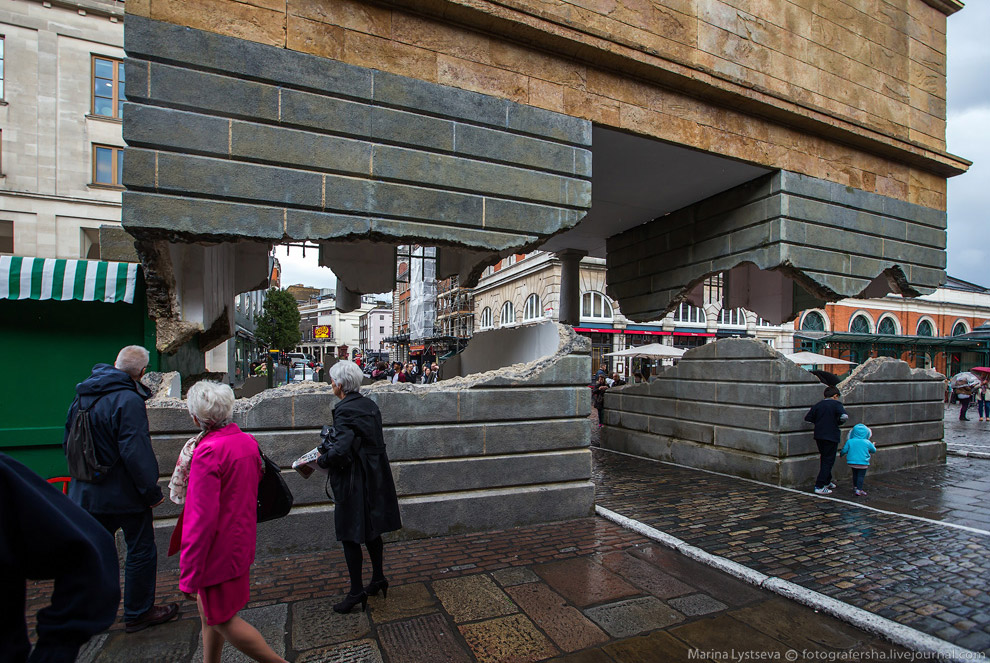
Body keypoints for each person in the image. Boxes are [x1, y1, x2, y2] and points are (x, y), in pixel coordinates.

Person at [63, 345, 179, 633]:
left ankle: (90, 612)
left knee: (95, 552)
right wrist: (150, 492)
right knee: (140, 550)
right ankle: (138, 611)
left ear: (116, 363)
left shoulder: (83, 394)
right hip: (123, 493)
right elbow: (135, 451)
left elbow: (68, 440)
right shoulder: (128, 399)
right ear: (142, 372)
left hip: (86, 491)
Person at [176, 381, 287, 663]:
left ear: (196, 418)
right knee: (210, 612)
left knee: (222, 618)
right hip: (240, 538)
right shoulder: (246, 442)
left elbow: (200, 520)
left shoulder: (207, 452)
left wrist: (188, 574)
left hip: (216, 549)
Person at [1, 453, 120, 663]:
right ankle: (140, 610)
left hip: (90, 493)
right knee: (138, 551)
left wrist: (56, 649)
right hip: (113, 494)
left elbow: (90, 552)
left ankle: (139, 610)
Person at [318, 361, 402, 614]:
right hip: (375, 476)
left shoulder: (344, 409)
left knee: (350, 534)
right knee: (372, 530)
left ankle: (356, 592)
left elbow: (342, 449)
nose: (331, 384)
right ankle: (378, 578)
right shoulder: (370, 405)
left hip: (354, 479)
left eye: (332, 381)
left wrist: (321, 459)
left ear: (340, 384)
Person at [803, 386, 849, 495]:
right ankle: (820, 485)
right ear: (835, 396)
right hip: (831, 435)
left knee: (824, 458)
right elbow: (844, 417)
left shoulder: (818, 405)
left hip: (819, 435)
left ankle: (827, 481)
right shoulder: (836, 404)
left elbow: (808, 419)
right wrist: (838, 422)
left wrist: (820, 422)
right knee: (828, 460)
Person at [839, 423, 877, 497]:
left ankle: (855, 487)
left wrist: (841, 454)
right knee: (861, 476)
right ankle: (859, 489)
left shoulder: (850, 441)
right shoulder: (867, 442)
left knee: (855, 474)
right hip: (863, 462)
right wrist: (873, 445)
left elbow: (844, 450)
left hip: (852, 462)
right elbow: (873, 450)